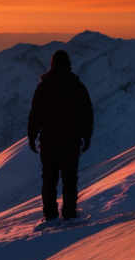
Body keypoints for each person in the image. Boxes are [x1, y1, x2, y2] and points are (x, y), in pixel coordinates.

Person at [27, 49, 94, 221]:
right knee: (69, 178)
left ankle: (50, 215)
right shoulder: (77, 86)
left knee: (49, 179)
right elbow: (86, 113)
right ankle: (69, 213)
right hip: (71, 140)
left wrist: (32, 136)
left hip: (49, 140)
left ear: (52, 64)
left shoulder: (44, 86)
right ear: (69, 65)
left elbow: (36, 114)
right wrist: (86, 136)